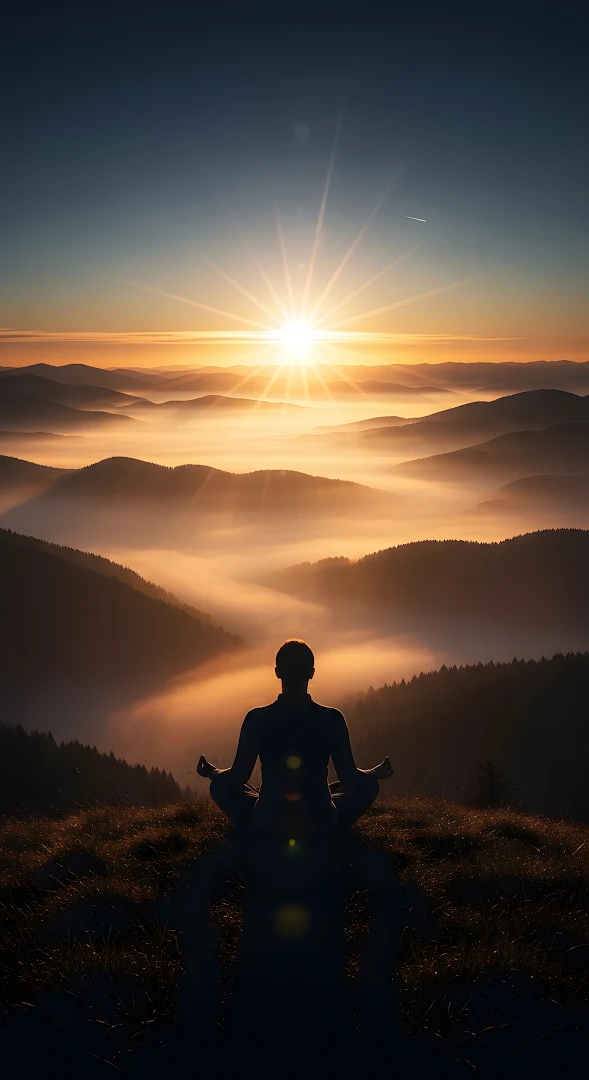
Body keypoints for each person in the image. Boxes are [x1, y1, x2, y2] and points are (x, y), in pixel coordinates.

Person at [197, 639, 393, 841]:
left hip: (268, 821)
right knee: (367, 786)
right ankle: (326, 831)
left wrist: (213, 772)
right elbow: (350, 777)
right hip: (320, 822)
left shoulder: (257, 718)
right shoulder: (331, 719)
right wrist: (373, 774)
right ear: (311, 673)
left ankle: (261, 827)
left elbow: (238, 776)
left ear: (277, 672)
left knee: (219, 786)